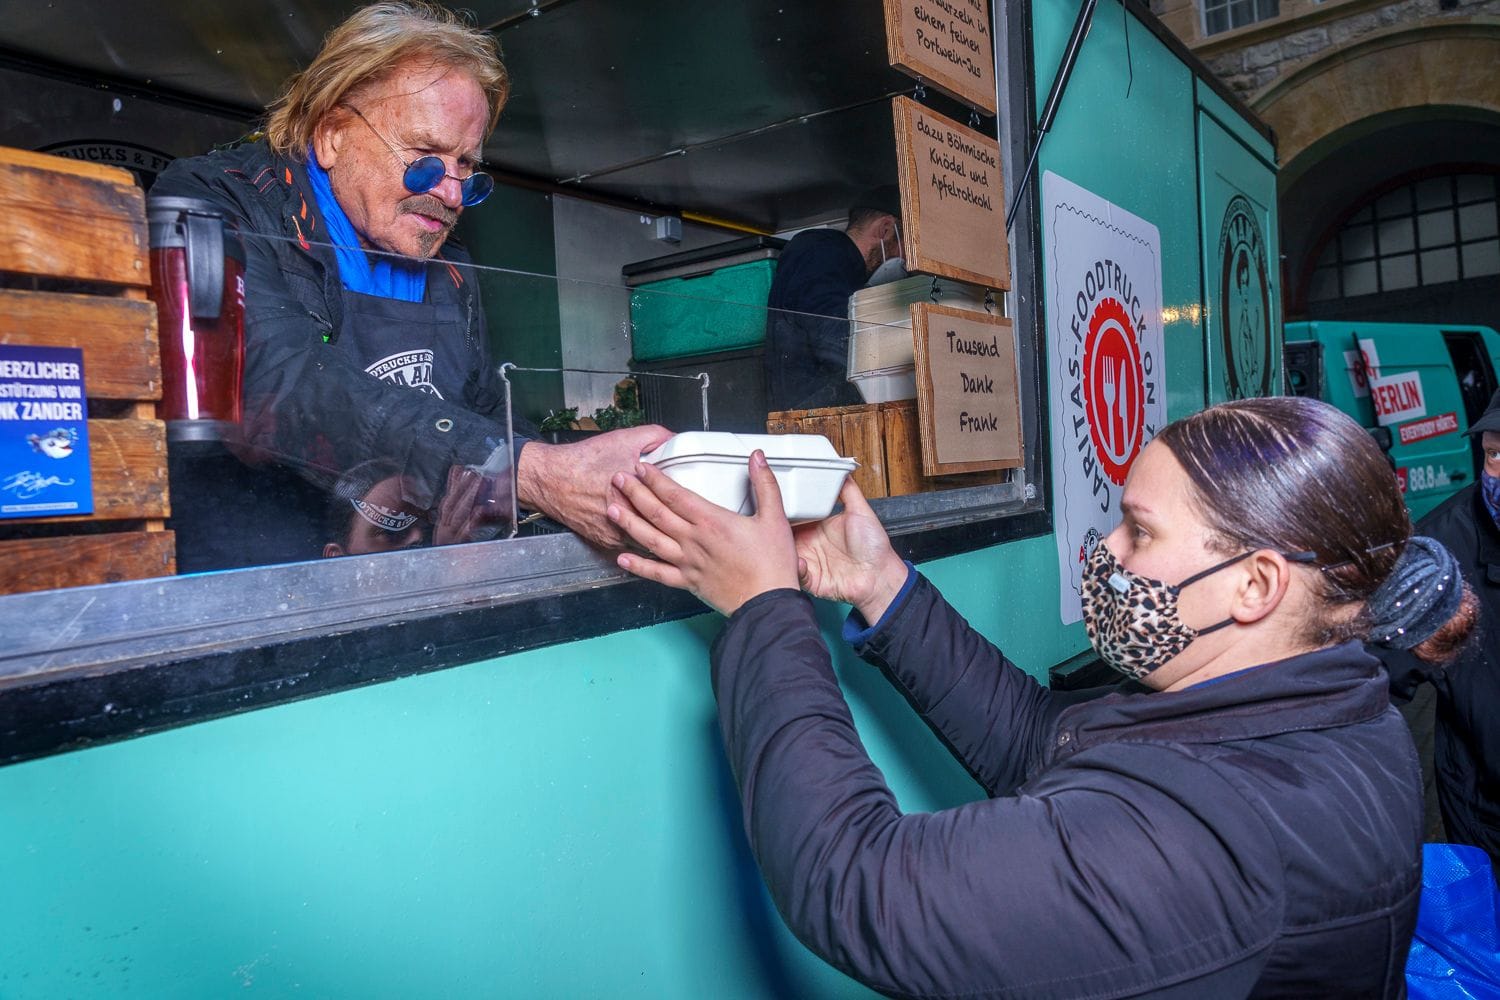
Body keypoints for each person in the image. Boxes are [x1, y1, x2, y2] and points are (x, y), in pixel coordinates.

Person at [606, 396, 1476, 997]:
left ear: (1254, 586)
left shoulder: (1218, 837)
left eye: (1140, 530)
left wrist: (764, 610)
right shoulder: (1324, 701)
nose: (1109, 550)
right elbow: (1043, 741)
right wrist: (881, 584)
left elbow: (855, 884)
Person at [152, 1, 667, 566]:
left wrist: (569, 477)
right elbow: (277, 382)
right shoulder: (218, 203)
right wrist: (527, 471)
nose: (449, 195)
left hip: (407, 586)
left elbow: (487, 412)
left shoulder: (450, 269)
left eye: (466, 169)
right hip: (255, 593)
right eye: (425, 158)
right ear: (331, 135)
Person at [1382, 388, 1500, 871]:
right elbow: (1372, 672)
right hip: (1487, 814)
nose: (1498, 471)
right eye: (1494, 454)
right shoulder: (1441, 553)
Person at [763, 185, 903, 412]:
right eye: (905, 246)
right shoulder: (824, 253)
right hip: (816, 416)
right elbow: (836, 342)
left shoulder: (841, 265)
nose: (905, 259)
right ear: (886, 229)